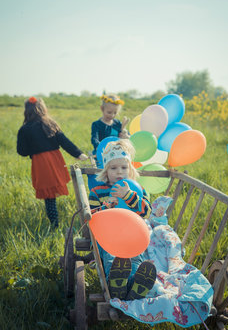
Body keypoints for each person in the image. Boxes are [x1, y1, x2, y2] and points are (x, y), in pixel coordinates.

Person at [89, 139, 156, 301]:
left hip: (132, 234)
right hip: (108, 236)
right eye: (113, 168)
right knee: (113, 257)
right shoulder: (98, 192)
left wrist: (129, 196)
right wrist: (106, 208)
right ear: (105, 170)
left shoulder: (137, 190)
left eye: (124, 167)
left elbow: (146, 212)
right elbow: (90, 217)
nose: (119, 172)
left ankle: (134, 285)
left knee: (134, 258)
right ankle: (116, 283)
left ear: (130, 169)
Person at [17, 97, 88, 228]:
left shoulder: (24, 129)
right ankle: (56, 223)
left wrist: (33, 148)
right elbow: (64, 141)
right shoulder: (50, 124)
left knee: (49, 196)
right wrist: (79, 154)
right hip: (55, 161)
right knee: (51, 193)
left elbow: (22, 151)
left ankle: (55, 225)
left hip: (41, 164)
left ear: (26, 111)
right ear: (43, 109)